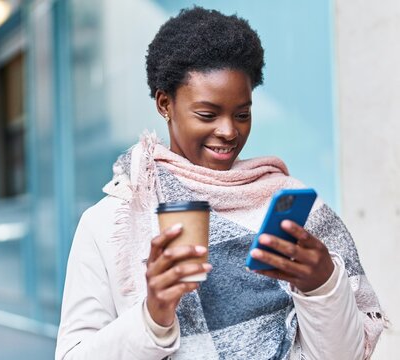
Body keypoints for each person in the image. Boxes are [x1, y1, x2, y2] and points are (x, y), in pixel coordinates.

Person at [55, 6, 386, 360]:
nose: (229, 131)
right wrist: (152, 317)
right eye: (207, 114)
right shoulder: (113, 223)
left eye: (242, 114)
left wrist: (322, 286)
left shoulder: (291, 206)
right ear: (165, 103)